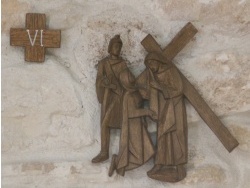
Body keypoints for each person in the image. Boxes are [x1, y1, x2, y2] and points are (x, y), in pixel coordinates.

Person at [141, 52, 187, 182]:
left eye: (151, 63)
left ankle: (180, 166)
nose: (150, 66)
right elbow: (153, 95)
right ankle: (159, 164)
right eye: (148, 65)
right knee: (162, 136)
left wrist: (159, 87)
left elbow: (178, 89)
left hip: (175, 108)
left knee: (178, 136)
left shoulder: (170, 71)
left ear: (157, 61)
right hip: (163, 110)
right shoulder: (153, 77)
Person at [108, 69, 156, 176]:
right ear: (125, 81)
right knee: (140, 156)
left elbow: (143, 96)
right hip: (132, 127)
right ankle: (118, 163)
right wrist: (146, 111)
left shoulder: (134, 91)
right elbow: (131, 113)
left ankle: (120, 165)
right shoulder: (128, 96)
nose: (131, 76)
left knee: (149, 151)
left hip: (140, 125)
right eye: (128, 76)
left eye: (130, 74)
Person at [92, 35, 130, 163]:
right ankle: (104, 152)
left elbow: (127, 79)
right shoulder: (104, 63)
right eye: (115, 46)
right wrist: (106, 83)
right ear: (110, 48)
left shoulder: (123, 63)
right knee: (105, 124)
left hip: (120, 97)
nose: (117, 49)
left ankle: (123, 153)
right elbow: (99, 80)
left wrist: (120, 85)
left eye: (119, 47)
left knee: (123, 125)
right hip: (109, 97)